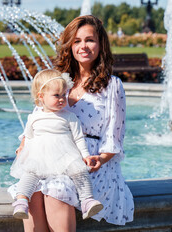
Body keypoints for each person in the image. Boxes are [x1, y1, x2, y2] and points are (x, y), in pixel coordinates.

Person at [11, 15, 134, 232]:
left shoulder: (113, 85)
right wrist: (24, 144)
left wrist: (101, 159)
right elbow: (37, 118)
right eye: (77, 41)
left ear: (101, 44)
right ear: (69, 46)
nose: (83, 46)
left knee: (56, 190)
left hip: (89, 162)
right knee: (31, 191)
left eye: (89, 40)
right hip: (50, 155)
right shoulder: (58, 80)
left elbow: (114, 137)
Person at [9, 69, 103, 220]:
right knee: (29, 174)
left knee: (79, 171)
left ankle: (87, 200)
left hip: (64, 155)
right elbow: (29, 137)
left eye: (64, 95)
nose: (61, 99)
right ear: (41, 97)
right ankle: (21, 201)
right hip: (40, 155)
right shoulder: (34, 118)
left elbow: (79, 139)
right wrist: (22, 149)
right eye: (56, 95)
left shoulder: (69, 117)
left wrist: (86, 156)